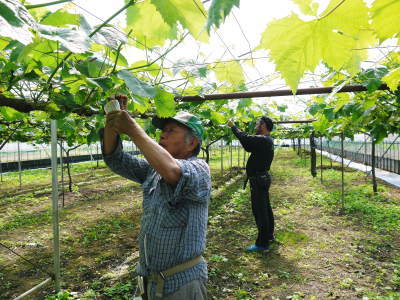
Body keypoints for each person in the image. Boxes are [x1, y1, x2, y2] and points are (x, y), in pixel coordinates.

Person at [101, 95, 211, 299]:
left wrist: (133, 129)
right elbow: (115, 159)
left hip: (181, 283)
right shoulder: (153, 171)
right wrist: (113, 119)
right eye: (163, 130)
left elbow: (174, 171)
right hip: (148, 280)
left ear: (192, 143)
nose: (162, 135)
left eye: (171, 131)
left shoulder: (199, 169)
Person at [227, 116, 275, 252]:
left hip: (259, 180)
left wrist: (233, 127)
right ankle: (269, 236)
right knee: (265, 208)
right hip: (261, 179)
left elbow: (246, 138)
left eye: (258, 123)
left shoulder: (264, 140)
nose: (255, 125)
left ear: (264, 125)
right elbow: (248, 144)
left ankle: (262, 244)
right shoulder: (266, 140)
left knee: (260, 211)